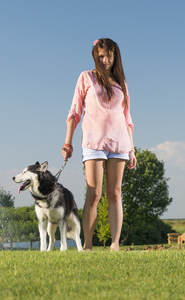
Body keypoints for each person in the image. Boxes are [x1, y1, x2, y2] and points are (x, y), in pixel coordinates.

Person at [62, 38, 136, 251]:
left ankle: (114, 244)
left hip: (120, 143)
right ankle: (87, 244)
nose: (104, 60)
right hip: (93, 142)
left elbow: (127, 118)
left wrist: (131, 149)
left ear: (115, 56)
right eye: (100, 56)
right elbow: (75, 111)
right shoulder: (86, 77)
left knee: (115, 193)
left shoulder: (121, 83)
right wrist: (68, 142)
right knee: (94, 194)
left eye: (108, 56)